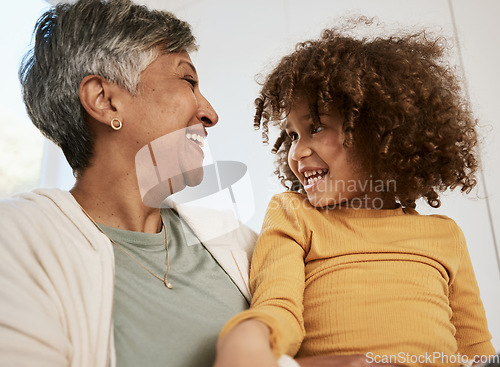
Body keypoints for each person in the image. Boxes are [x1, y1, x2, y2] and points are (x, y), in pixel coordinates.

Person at [0, 2, 396, 367]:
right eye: (187, 80)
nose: (209, 113)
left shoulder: (241, 244)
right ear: (105, 100)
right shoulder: (17, 238)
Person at [215, 20, 497, 367]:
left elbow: (475, 350)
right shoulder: (294, 213)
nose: (296, 152)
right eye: (291, 136)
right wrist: (249, 338)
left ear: (378, 133)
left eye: (315, 127)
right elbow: (278, 308)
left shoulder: (446, 235)